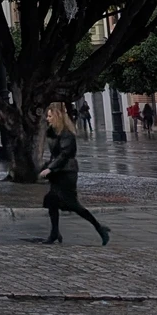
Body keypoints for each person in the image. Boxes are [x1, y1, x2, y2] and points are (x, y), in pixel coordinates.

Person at [39, 102, 110, 246]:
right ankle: (54, 233)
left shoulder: (67, 134)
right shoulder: (54, 132)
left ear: (57, 117)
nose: (47, 119)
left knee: (73, 204)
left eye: (50, 116)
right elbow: (56, 153)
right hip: (58, 173)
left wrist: (50, 168)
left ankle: (100, 228)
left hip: (67, 173)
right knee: (52, 201)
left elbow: (64, 154)